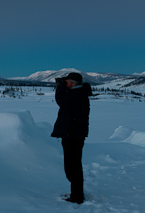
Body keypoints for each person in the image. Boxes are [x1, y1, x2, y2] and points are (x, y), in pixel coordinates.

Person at [51, 72, 91, 204]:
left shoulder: (77, 95)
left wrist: (60, 87)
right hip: (72, 134)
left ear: (73, 83)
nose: (65, 83)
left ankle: (77, 196)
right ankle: (76, 193)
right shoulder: (76, 94)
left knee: (72, 167)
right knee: (72, 166)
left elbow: (61, 101)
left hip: (73, 136)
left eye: (67, 81)